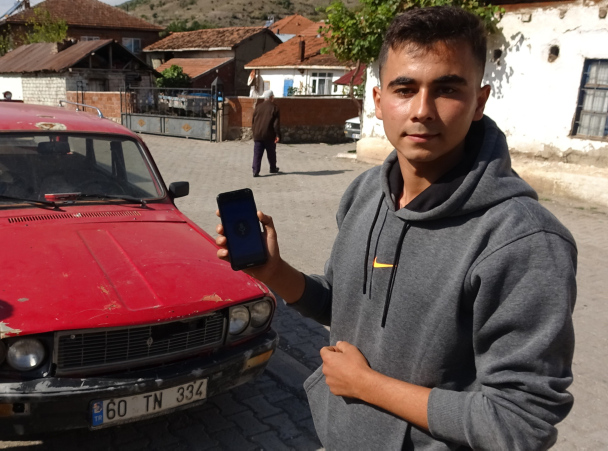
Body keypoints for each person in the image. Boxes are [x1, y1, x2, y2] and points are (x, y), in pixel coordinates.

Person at [216, 6, 576, 450]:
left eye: (447, 89)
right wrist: (275, 272)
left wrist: (367, 386)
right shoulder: (365, 192)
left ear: (479, 102)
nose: (422, 111)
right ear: (378, 99)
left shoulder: (522, 241)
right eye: (405, 89)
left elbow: (521, 423)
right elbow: (343, 307)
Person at [251, 90, 281, 177]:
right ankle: (273, 168)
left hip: (258, 134)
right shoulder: (274, 107)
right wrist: (277, 135)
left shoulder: (258, 107)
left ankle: (255, 171)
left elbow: (253, 121)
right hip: (269, 134)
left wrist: (254, 131)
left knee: (257, 154)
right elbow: (276, 124)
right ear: (271, 97)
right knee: (271, 153)